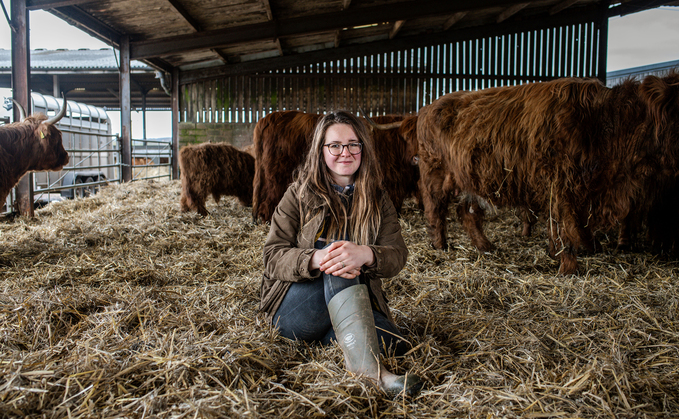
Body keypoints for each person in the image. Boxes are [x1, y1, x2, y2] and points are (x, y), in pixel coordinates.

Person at [260, 110, 423, 397]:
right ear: (321, 151)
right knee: (336, 254)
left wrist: (367, 254)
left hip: (351, 303)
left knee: (398, 341)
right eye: (334, 145)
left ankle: (338, 340)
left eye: (353, 144)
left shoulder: (377, 198)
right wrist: (316, 258)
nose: (344, 152)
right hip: (295, 308)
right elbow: (272, 256)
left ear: (363, 149)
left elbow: (397, 255)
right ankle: (371, 374)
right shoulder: (297, 195)